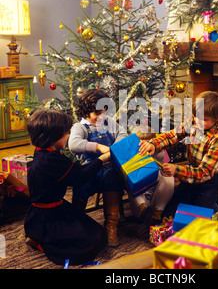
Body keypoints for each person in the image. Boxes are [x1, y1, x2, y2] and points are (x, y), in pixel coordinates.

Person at [24, 109, 109, 266]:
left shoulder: (43, 151)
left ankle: (36, 235)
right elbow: (79, 178)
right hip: (49, 217)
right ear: (52, 136)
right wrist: (101, 160)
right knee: (94, 240)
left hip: (44, 211)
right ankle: (42, 241)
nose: (68, 135)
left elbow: (71, 171)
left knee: (95, 231)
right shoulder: (51, 159)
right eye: (65, 133)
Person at [139, 91, 218, 216]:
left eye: (204, 119)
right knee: (171, 214)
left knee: (197, 218)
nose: (197, 121)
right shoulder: (194, 121)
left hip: (208, 181)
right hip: (188, 175)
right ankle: (212, 206)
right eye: (196, 116)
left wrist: (176, 170)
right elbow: (173, 135)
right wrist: (154, 144)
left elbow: (204, 172)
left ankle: (215, 209)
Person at [68, 89, 127, 246]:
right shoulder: (79, 127)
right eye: (98, 114)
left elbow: (122, 134)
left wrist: (115, 146)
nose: (102, 117)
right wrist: (99, 147)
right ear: (86, 112)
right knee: (81, 184)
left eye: (104, 113)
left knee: (112, 177)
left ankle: (111, 226)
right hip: (90, 169)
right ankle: (76, 221)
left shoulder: (109, 123)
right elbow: (73, 145)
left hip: (110, 169)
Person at [130, 124, 174, 226]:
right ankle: (143, 208)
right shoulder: (131, 153)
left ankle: (158, 213)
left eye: (147, 142)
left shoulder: (158, 152)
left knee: (168, 175)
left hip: (155, 199)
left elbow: (159, 165)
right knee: (130, 176)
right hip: (139, 204)